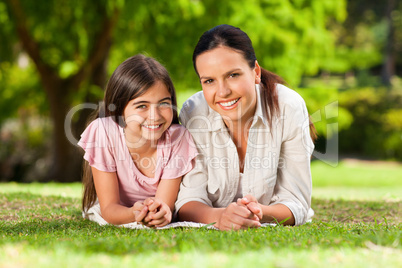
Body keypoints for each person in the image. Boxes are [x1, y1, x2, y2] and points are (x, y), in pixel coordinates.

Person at [175, 24, 316, 230]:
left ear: (255, 72)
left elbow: (297, 202)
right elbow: (188, 200)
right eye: (209, 81)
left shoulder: (288, 108)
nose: (222, 92)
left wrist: (259, 212)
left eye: (233, 75)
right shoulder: (193, 112)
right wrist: (222, 216)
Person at [79, 55, 198, 227]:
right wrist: (133, 213)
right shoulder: (103, 132)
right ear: (119, 109)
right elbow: (109, 209)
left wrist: (160, 213)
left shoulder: (178, 138)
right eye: (142, 106)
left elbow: (164, 205)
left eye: (164, 103)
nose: (155, 116)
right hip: (126, 211)